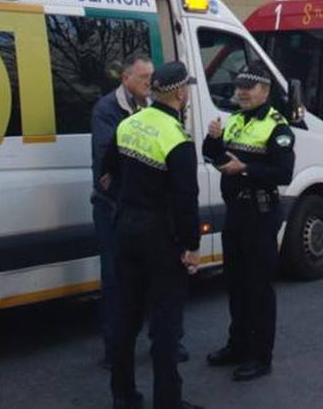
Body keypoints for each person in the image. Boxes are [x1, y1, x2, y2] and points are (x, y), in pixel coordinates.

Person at [103, 61, 203, 409]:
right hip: (160, 237)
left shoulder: (128, 124)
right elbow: (185, 200)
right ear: (178, 92)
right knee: (165, 325)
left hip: (125, 228)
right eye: (186, 87)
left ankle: (124, 396)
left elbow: (107, 173)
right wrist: (191, 245)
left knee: (125, 317)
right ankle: (168, 402)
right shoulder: (177, 138)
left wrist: (127, 204)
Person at [203, 63, 296, 382]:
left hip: (260, 215)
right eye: (239, 85)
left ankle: (260, 356)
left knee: (258, 288)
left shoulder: (277, 127)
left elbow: (284, 173)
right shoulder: (236, 120)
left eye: (249, 86)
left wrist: (245, 169)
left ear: (265, 91)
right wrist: (213, 141)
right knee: (236, 285)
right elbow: (215, 157)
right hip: (236, 216)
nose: (241, 91)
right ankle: (237, 345)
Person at [92, 53, 169, 369]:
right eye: (142, 78)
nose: (149, 83)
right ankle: (115, 351)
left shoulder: (150, 106)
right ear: (125, 79)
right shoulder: (106, 109)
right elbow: (109, 163)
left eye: (151, 77)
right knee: (116, 280)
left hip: (142, 208)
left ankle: (161, 346)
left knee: (153, 279)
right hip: (113, 208)